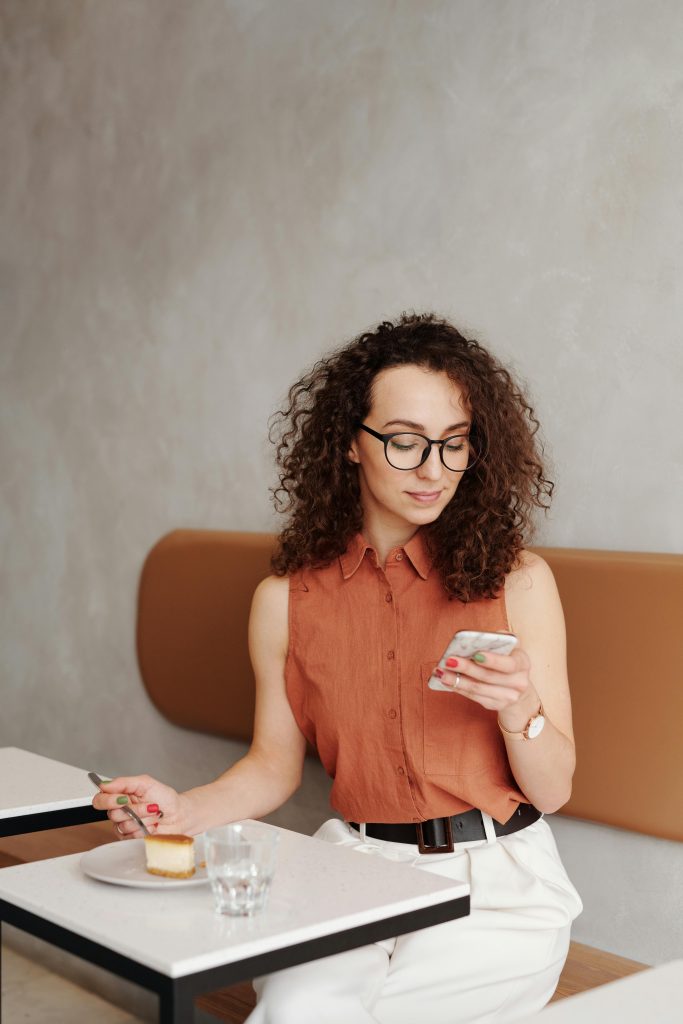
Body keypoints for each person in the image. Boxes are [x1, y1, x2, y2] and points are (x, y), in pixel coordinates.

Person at [94, 313, 582, 1022]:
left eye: (453, 446)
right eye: (405, 442)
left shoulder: (518, 582)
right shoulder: (282, 603)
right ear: (350, 444)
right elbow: (272, 765)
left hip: (498, 888)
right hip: (347, 872)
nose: (431, 470)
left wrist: (519, 712)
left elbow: (556, 788)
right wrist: (184, 811)